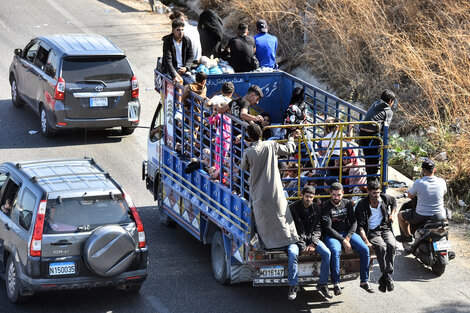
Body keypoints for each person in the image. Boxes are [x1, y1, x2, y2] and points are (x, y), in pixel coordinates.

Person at [241, 123, 300, 251]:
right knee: (281, 215)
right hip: (275, 189)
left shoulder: (248, 151)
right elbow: (289, 149)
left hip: (258, 192)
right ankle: (289, 240)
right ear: (261, 134)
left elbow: (243, 167)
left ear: (249, 137)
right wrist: (291, 139)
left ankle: (268, 245)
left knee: (263, 219)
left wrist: (249, 147)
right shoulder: (271, 145)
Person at [321, 182, 373, 295]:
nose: (336, 197)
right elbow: (328, 228)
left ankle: (364, 281)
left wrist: (348, 237)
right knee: (335, 251)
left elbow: (354, 222)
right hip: (333, 235)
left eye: (338, 195)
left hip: (347, 233)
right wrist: (343, 240)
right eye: (334, 194)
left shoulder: (347, 203)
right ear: (330, 194)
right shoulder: (326, 206)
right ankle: (336, 283)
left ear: (343, 193)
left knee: (365, 249)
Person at [288, 186, 332, 300]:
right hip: (295, 240)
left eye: (311, 197)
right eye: (307, 196)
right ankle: (293, 285)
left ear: (314, 197)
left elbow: (318, 228)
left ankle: (322, 284)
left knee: (327, 253)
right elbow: (290, 229)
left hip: (312, 239)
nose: (308, 199)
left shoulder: (317, 209)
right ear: (302, 195)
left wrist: (313, 243)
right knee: (292, 253)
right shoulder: (292, 208)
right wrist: (302, 245)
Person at [356, 180, 397, 293]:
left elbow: (394, 202)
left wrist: (392, 214)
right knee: (382, 247)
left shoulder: (384, 198)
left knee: (392, 245)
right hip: (372, 232)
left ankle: (385, 275)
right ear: (368, 191)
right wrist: (366, 241)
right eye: (374, 193)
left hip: (384, 228)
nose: (376, 195)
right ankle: (387, 276)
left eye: (378, 193)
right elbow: (360, 227)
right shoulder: (362, 205)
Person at [397, 159, 447, 243]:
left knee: (400, 215)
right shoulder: (441, 181)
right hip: (439, 215)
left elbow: (410, 195)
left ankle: (407, 236)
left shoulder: (419, 182)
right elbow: (444, 193)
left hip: (421, 215)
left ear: (423, 170)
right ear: (434, 170)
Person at [359, 89, 397, 182]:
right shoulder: (388, 111)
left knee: (368, 160)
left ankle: (370, 180)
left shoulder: (375, 104)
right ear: (391, 101)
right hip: (372, 136)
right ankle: (373, 181)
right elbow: (385, 128)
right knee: (375, 160)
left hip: (362, 134)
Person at [162, 19, 194, 85]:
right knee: (180, 82)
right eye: (178, 30)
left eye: (182, 30)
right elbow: (168, 60)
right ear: (173, 31)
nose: (181, 32)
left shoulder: (187, 40)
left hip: (183, 69)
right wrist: (174, 75)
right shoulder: (168, 41)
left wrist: (186, 67)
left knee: (193, 84)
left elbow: (191, 56)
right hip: (172, 69)